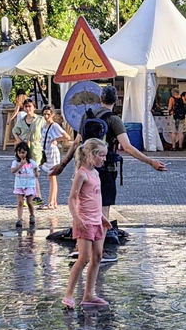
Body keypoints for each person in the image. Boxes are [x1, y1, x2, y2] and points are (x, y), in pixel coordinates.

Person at [52, 86, 166, 247]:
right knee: (103, 210)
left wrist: (62, 165)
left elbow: (76, 143)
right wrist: (150, 161)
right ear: (116, 101)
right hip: (106, 169)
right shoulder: (114, 119)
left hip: (84, 168)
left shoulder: (87, 115)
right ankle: (100, 249)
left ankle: (81, 246)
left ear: (101, 99)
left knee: (83, 206)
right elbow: (127, 147)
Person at [61, 138, 113, 309]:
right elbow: (72, 199)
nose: (104, 159)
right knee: (84, 258)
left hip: (96, 221)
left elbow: (95, 199)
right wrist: (76, 218)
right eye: (102, 156)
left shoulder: (96, 174)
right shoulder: (81, 174)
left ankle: (89, 294)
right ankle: (69, 294)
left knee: (98, 257)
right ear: (92, 155)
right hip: (84, 222)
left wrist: (102, 217)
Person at [12, 98, 45, 204]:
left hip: (35, 148)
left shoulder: (40, 119)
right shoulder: (21, 121)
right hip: (25, 148)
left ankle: (35, 196)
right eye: (26, 106)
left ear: (34, 107)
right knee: (27, 172)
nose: (28, 108)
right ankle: (33, 196)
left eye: (30, 106)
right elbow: (15, 131)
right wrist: (20, 141)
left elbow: (46, 130)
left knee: (33, 171)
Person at [39, 105, 71, 209]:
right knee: (51, 177)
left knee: (52, 176)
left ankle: (51, 202)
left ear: (52, 114)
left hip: (52, 152)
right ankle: (53, 201)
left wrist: (56, 139)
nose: (46, 116)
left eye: (48, 114)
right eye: (44, 114)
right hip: (47, 152)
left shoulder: (54, 126)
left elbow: (67, 136)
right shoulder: (44, 126)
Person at [11, 141, 38, 228]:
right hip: (19, 184)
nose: (21, 155)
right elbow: (12, 171)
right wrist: (20, 165)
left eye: (23, 152)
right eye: (19, 152)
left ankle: (32, 215)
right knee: (20, 202)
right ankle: (19, 218)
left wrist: (36, 174)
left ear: (27, 152)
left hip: (29, 184)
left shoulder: (31, 162)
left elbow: (36, 170)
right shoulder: (15, 162)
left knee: (29, 202)